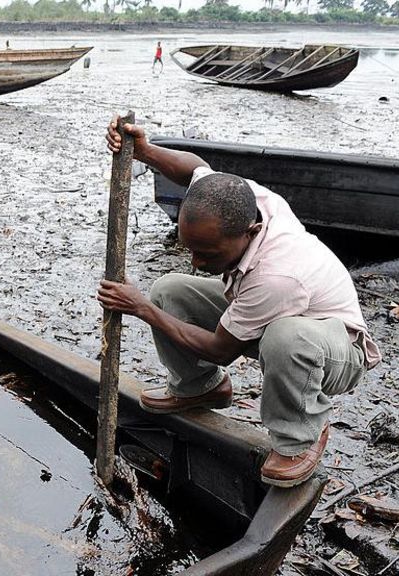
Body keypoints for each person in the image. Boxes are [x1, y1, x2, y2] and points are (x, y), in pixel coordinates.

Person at [99, 116, 380, 488]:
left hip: (335, 349)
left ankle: (299, 439)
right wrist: (144, 151)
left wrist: (140, 309)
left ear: (250, 233)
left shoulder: (277, 276)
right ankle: (199, 388)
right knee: (169, 290)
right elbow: (196, 171)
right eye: (191, 249)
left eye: (207, 253)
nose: (197, 263)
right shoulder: (242, 199)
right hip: (276, 317)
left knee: (286, 338)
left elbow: (220, 349)